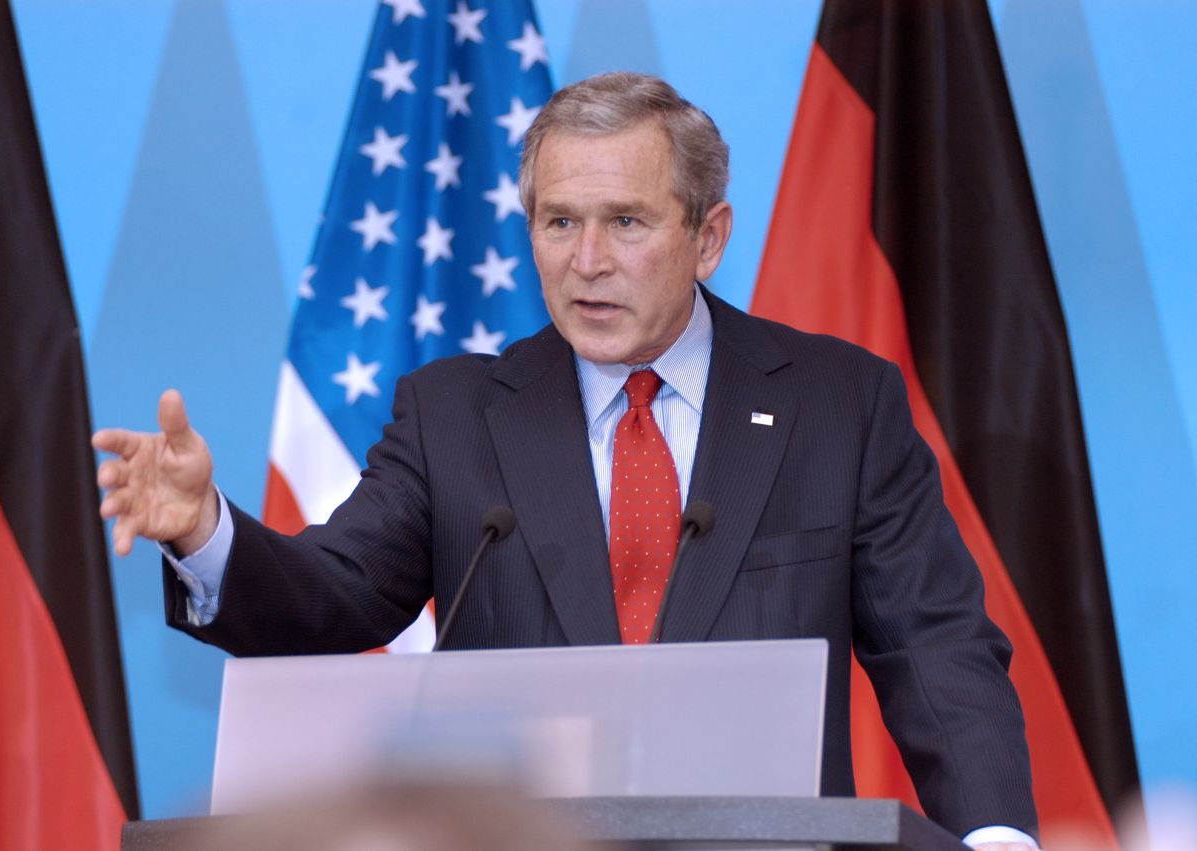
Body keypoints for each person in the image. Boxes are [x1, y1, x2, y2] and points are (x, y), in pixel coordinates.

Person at [93, 72, 1039, 849]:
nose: (586, 260)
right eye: (558, 222)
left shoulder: (837, 404)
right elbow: (336, 593)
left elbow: (935, 644)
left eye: (626, 222)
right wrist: (205, 530)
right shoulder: (455, 414)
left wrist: (996, 837)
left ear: (707, 238)